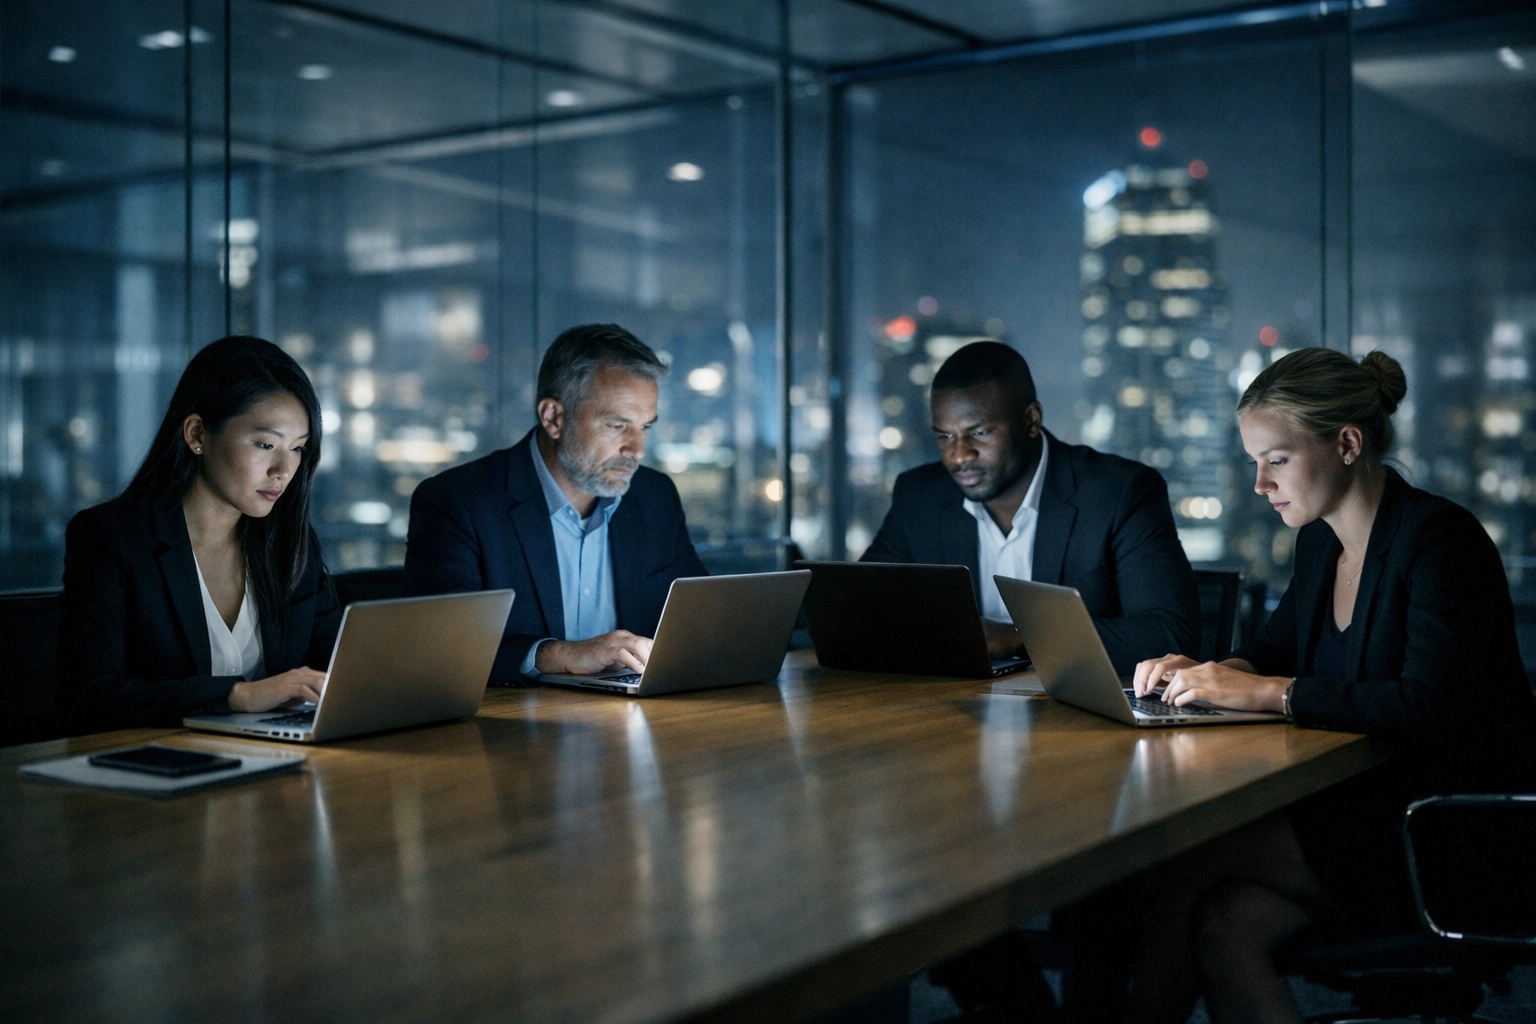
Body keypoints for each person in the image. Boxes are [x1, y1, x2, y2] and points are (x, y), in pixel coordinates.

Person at [1123, 347, 1536, 1024]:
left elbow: (1427, 705)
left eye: (1275, 459)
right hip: (1366, 817)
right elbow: (1269, 651)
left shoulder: (1439, 542)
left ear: (1347, 443)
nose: (1259, 483)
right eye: (1254, 461)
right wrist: (1204, 674)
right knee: (1227, 929)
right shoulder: (1320, 543)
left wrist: (1271, 694)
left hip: (1448, 834)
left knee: (1192, 855)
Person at [56, 336, 341, 733]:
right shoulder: (112, 538)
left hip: (278, 772)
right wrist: (236, 696)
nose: (283, 469)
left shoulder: (291, 544)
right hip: (157, 774)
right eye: (265, 444)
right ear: (197, 435)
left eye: (297, 448)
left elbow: (337, 672)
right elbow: (89, 695)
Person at [862, 340, 1199, 674]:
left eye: (978, 433)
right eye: (945, 437)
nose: (960, 455)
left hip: (1079, 715)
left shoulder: (1119, 493)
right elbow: (861, 607)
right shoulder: (920, 496)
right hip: (955, 711)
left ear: (1031, 420)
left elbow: (1169, 635)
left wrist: (1017, 637)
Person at [403, 323, 706, 685]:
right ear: (553, 418)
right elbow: (440, 647)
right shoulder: (459, 502)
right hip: (510, 730)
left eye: (645, 427)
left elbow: (699, 622)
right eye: (616, 426)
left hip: (636, 725)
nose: (637, 450)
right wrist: (563, 655)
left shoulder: (655, 498)